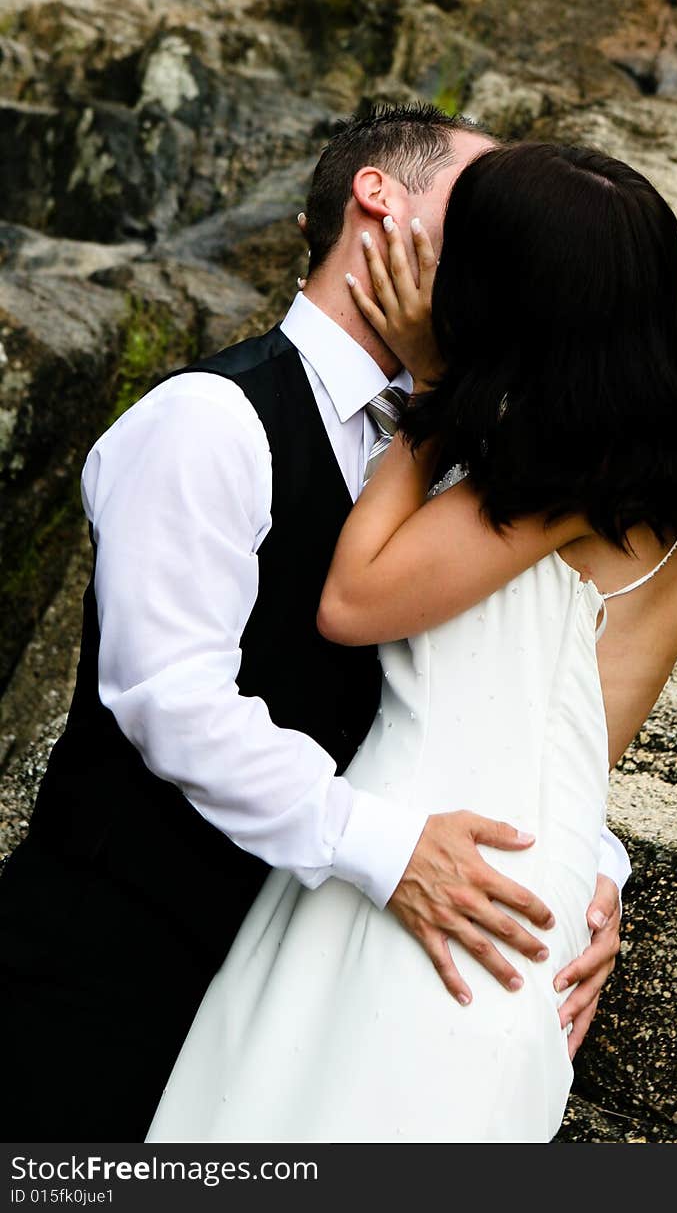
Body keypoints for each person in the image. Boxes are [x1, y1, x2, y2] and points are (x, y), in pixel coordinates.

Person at [0, 106, 630, 1141]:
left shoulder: (458, 467)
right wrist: (388, 850)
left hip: (311, 1002)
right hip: (109, 981)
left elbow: (490, 695)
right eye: (481, 208)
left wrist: (589, 871)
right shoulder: (209, 418)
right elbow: (173, 701)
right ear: (378, 198)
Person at [145, 139, 677, 1142]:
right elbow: (572, 751)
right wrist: (600, 870)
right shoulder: (642, 482)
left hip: (442, 899)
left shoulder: (551, 478)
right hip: (477, 880)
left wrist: (430, 391)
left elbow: (355, 597)